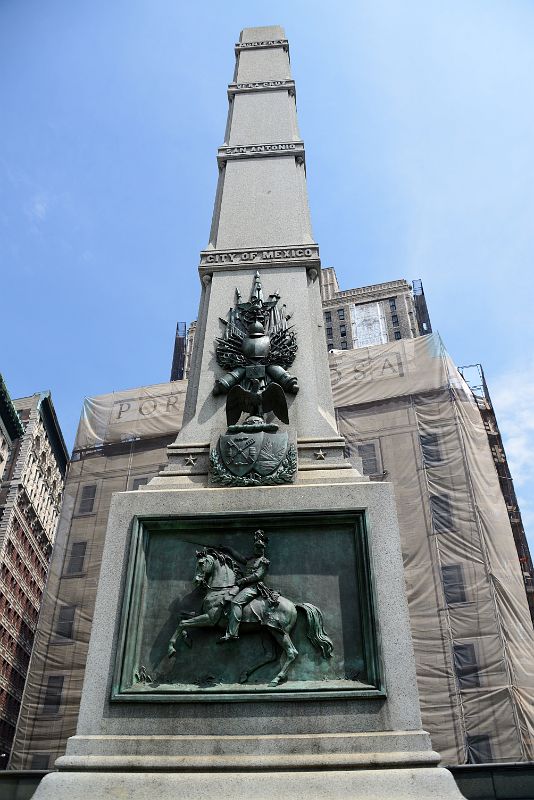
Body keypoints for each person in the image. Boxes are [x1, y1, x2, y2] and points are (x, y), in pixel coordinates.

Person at [217, 529, 276, 642]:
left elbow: (258, 575)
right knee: (225, 597)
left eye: (260, 547)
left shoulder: (264, 562)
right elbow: (239, 557)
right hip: (243, 586)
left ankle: (232, 634)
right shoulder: (250, 560)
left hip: (253, 587)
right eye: (256, 547)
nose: (257, 549)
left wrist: (243, 580)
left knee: (236, 602)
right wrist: (228, 549)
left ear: (264, 549)